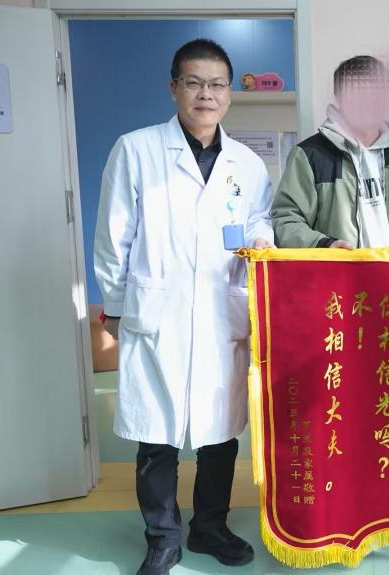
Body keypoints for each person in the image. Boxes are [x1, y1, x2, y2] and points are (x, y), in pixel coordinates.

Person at [93, 39, 274, 575]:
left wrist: (261, 239)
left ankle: (209, 527)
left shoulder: (247, 164)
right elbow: (113, 236)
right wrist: (117, 308)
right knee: (157, 437)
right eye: (194, 83)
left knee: (220, 435)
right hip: (159, 312)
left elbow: (259, 220)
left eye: (217, 85)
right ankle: (163, 538)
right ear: (174, 88)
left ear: (229, 94)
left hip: (222, 312)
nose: (206, 94)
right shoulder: (136, 150)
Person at [271, 55, 389, 248]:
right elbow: (286, 219)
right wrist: (324, 245)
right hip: (339, 267)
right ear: (339, 98)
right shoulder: (310, 155)